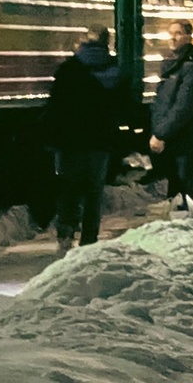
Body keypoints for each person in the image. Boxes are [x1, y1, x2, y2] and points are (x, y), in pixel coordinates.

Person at [44, 26, 126, 251]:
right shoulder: (115, 69)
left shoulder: (69, 69)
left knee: (68, 188)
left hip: (70, 141)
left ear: (84, 41)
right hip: (100, 142)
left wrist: (51, 138)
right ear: (107, 42)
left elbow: (55, 108)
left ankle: (66, 234)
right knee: (93, 192)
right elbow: (121, 107)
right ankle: (89, 238)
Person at [149, 20, 193, 210]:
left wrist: (161, 133)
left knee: (185, 192)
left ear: (188, 37)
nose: (172, 37)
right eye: (170, 33)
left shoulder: (192, 66)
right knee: (177, 193)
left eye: (178, 33)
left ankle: (188, 222)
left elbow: (183, 107)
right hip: (177, 139)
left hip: (187, 141)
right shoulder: (176, 65)